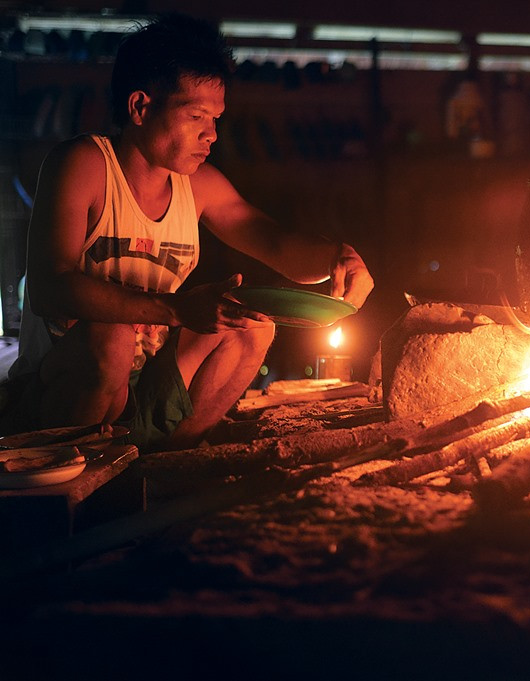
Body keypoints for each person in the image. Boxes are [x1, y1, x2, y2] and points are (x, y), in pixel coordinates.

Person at [0, 14, 374, 451]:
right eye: (197, 115)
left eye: (215, 118)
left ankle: (170, 462)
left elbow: (275, 243)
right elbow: (49, 288)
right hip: (58, 394)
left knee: (252, 325)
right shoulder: (84, 164)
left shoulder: (199, 185)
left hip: (144, 386)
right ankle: (73, 486)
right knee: (113, 336)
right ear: (140, 107)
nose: (211, 134)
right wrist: (175, 310)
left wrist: (340, 258)